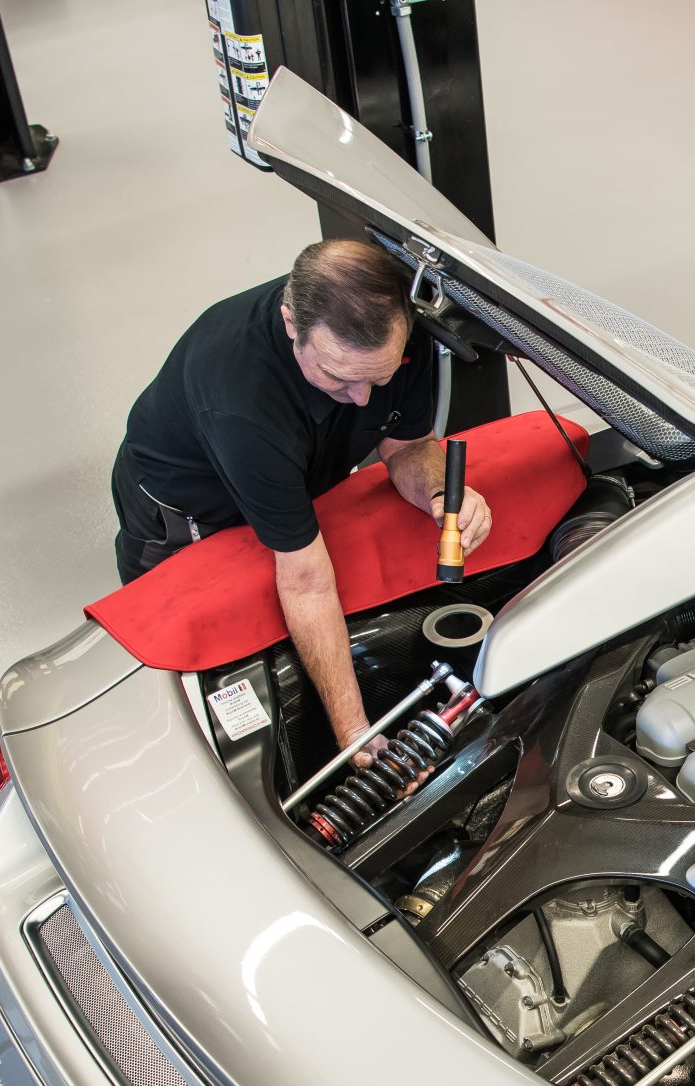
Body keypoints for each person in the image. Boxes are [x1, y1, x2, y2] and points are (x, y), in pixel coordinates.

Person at [111, 239, 494, 762]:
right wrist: (356, 735)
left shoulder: (398, 339)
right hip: (189, 517)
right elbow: (307, 582)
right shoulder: (240, 398)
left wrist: (438, 490)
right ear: (292, 323)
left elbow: (407, 447)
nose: (363, 398)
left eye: (378, 378)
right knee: (186, 676)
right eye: (340, 377)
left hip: (295, 480)